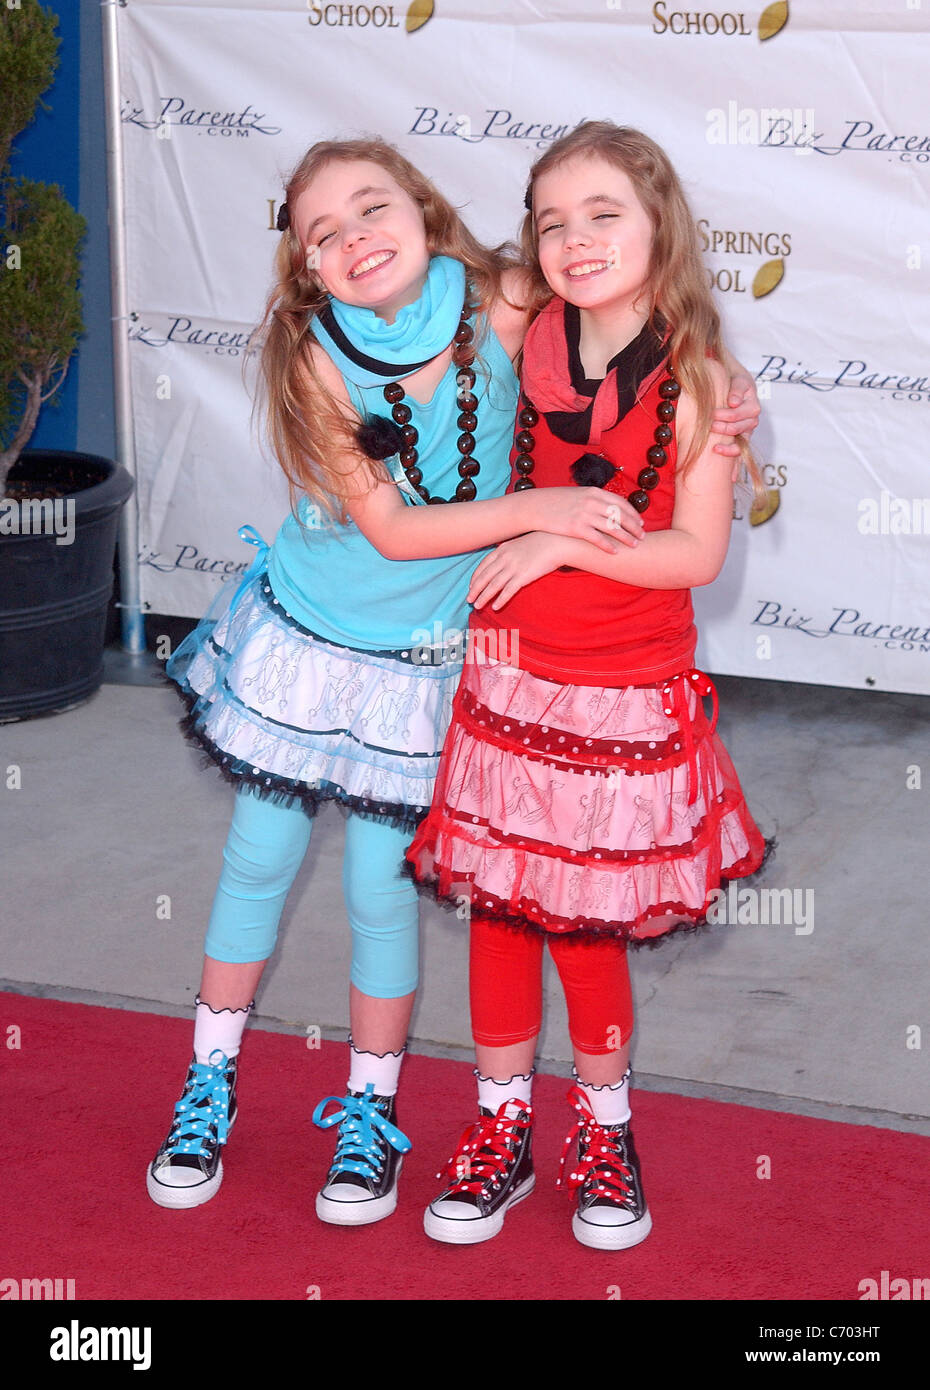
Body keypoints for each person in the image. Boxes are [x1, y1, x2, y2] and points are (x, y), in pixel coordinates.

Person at [147, 135, 761, 1226]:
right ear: (304, 264)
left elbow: (625, 310)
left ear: (427, 210)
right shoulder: (319, 353)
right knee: (261, 860)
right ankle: (210, 1082)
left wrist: (725, 390)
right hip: (322, 638)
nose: (353, 239)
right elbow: (387, 525)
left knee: (396, 891)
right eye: (322, 233)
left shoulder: (503, 300)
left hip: (447, 661)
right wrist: (546, 516)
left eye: (372, 207)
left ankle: (376, 1116)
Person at [403, 122, 771, 1251]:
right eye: (553, 220)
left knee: (584, 920)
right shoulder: (522, 317)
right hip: (509, 682)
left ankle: (605, 1130)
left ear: (660, 222)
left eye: (604, 213)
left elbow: (694, 553)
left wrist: (560, 541)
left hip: (623, 687)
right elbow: (437, 267)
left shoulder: (702, 381)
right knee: (503, 911)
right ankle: (499, 1127)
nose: (576, 238)